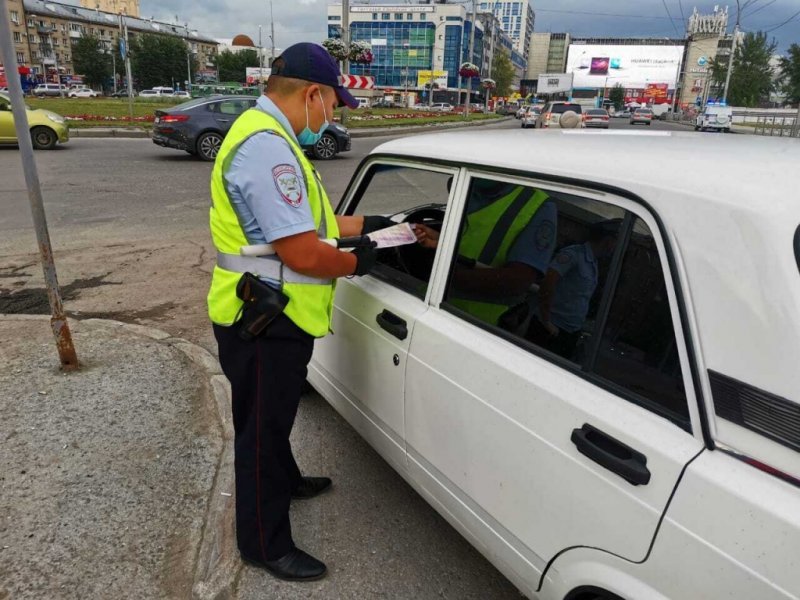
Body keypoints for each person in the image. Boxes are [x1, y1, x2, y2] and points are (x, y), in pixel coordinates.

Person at [207, 43, 393, 582]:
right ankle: (264, 544)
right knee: (261, 431)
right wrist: (362, 263)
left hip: (265, 310)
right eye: (334, 105)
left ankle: (285, 480)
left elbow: (314, 221)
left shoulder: (267, 137)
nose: (331, 117)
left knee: (272, 414)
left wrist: (375, 222)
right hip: (266, 318)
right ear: (313, 93)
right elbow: (305, 252)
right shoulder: (268, 150)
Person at [414, 179, 557, 327]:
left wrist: (447, 276)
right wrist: (438, 239)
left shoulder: (538, 206)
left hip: (474, 324)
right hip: (429, 305)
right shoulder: (469, 184)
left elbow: (518, 280)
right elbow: (468, 241)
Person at [526, 220, 620, 359]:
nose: (615, 247)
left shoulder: (593, 262)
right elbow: (548, 282)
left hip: (569, 331)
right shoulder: (574, 255)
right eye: (615, 241)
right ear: (607, 240)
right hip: (550, 329)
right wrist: (546, 321)